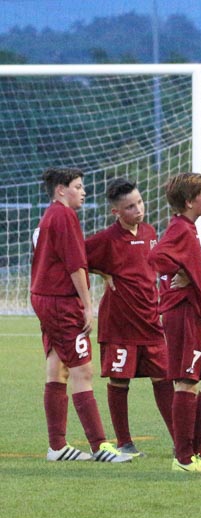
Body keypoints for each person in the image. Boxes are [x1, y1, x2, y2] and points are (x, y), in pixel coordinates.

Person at [31, 168, 133, 463]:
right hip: (61, 303)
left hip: (45, 298)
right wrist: (88, 306)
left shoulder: (50, 215)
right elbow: (76, 265)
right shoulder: (64, 216)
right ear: (61, 190)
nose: (83, 191)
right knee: (82, 370)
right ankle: (100, 446)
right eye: (77, 186)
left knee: (57, 368)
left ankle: (57, 446)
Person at [85, 178, 174, 457]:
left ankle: (181, 442)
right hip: (120, 323)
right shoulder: (107, 239)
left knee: (164, 378)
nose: (139, 209)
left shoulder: (149, 231)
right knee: (119, 380)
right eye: (130, 207)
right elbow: (75, 258)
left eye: (140, 202)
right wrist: (103, 272)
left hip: (150, 320)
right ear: (116, 212)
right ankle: (125, 443)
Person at [148, 173, 201, 473]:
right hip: (184, 314)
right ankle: (183, 459)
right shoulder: (179, 228)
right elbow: (156, 257)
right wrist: (177, 271)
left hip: (198, 315)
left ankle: (196, 453)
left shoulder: (188, 229)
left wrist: (182, 271)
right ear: (190, 201)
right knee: (186, 382)